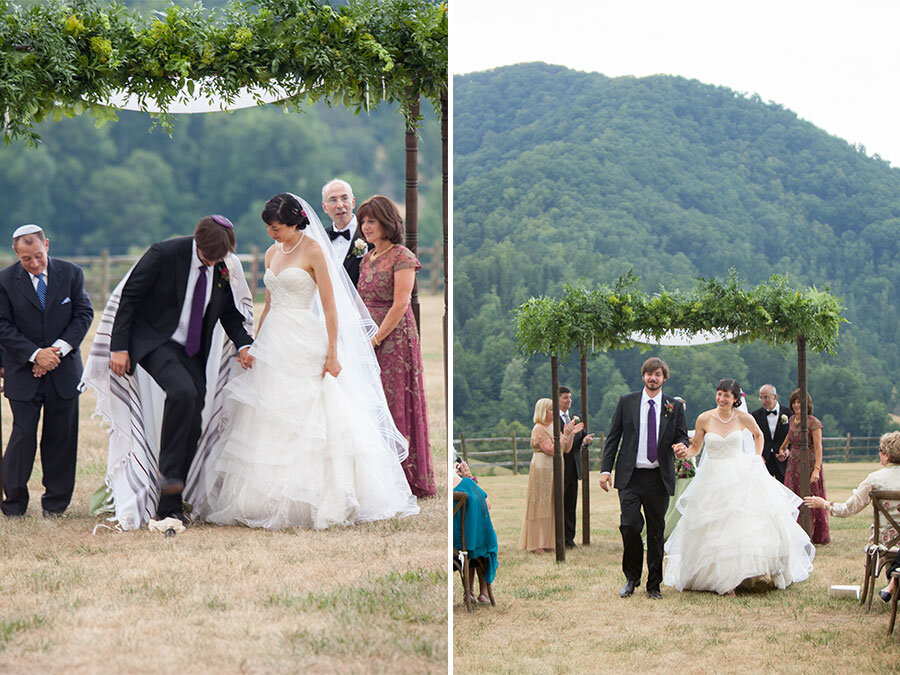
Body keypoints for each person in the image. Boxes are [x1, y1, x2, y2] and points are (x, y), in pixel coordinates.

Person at [201, 193, 418, 529]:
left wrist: (333, 351)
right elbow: (269, 303)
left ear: (293, 222)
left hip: (304, 337)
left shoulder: (315, 250)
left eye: (276, 228)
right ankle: (260, 497)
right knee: (268, 415)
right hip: (274, 338)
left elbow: (330, 307)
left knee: (313, 415)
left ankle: (318, 496)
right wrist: (256, 343)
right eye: (268, 229)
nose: (271, 234)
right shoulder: (273, 252)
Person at [107, 216, 255, 524]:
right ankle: (168, 480)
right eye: (208, 257)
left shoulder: (222, 266)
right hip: (154, 341)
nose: (213, 262)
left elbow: (228, 312)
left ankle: (172, 504)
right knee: (182, 392)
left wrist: (244, 344)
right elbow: (130, 297)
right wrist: (118, 347)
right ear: (197, 243)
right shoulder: (164, 253)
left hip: (191, 351)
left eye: (219, 258)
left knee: (194, 421)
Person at [665, 378, 815, 595]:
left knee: (741, 524)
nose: (722, 398)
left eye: (727, 395)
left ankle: (743, 573)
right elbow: (695, 448)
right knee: (713, 526)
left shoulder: (744, 418)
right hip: (712, 476)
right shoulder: (704, 418)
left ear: (735, 399)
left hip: (739, 473)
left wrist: (755, 458)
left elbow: (759, 435)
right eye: (719, 393)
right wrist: (683, 452)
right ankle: (718, 577)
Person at [0, 224, 93, 518]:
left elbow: (83, 314)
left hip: (63, 371)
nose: (34, 264)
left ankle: (56, 505)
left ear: (47, 246)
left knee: (61, 438)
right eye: (26, 259)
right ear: (16, 253)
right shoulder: (3, 281)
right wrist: (34, 355)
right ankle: (13, 505)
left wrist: (56, 352)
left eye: (38, 256)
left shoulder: (72, 273)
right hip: (21, 371)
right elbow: (3, 325)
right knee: (22, 435)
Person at [357, 195, 436, 498]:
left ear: (387, 222)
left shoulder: (401, 256)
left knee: (394, 401)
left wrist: (376, 338)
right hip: (365, 334)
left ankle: (405, 475)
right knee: (370, 400)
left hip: (393, 338)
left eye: (372, 220)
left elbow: (401, 303)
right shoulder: (367, 257)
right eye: (363, 221)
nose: (366, 226)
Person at [600, 357, 689, 599]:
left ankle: (654, 585)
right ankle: (631, 577)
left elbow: (683, 437)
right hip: (630, 476)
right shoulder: (627, 402)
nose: (653, 378)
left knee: (656, 531)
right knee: (629, 525)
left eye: (658, 374)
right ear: (643, 376)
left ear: (664, 378)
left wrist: (682, 446)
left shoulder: (674, 406)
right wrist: (605, 470)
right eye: (649, 374)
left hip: (658, 477)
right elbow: (613, 437)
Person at [803, 431, 900, 600]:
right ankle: (894, 584)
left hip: (883, 541)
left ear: (886, 454)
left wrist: (824, 504)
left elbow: (848, 509)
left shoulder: (874, 479)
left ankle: (893, 584)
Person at [519, 398, 583, 552]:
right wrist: (565, 434)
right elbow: (550, 448)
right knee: (540, 503)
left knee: (553, 503)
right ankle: (536, 543)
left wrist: (571, 434)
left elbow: (565, 449)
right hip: (543, 467)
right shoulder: (539, 428)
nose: (554, 413)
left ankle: (549, 541)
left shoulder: (554, 426)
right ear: (543, 411)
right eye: (551, 410)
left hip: (556, 467)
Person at [779, 389, 830, 544]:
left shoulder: (813, 422)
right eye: (794, 402)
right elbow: (787, 440)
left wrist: (816, 469)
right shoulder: (792, 419)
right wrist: (782, 451)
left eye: (799, 402)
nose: (796, 405)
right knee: (792, 497)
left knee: (810, 498)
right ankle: (795, 532)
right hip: (793, 463)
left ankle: (813, 534)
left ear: (806, 404)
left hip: (809, 462)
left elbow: (818, 446)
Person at [454, 468, 498, 605]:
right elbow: (487, 505)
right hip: (467, 545)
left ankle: (469, 592)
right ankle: (483, 592)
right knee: (481, 541)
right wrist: (469, 478)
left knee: (471, 539)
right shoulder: (467, 484)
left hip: (453, 546)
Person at [558, 386, 594, 548]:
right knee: (560, 502)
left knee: (571, 503)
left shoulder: (574, 418)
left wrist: (585, 441)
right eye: (565, 397)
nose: (569, 400)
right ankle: (558, 536)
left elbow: (579, 441)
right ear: (557, 399)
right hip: (559, 465)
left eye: (570, 397)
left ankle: (569, 538)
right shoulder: (553, 420)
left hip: (573, 467)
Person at [321, 179, 371, 287]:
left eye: (344, 198)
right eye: (333, 200)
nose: (340, 205)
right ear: (325, 207)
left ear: (353, 202)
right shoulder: (320, 238)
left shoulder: (369, 233)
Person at [750, 384, 790, 482]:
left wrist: (787, 451)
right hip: (765, 459)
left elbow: (792, 436)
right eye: (761, 398)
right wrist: (758, 455)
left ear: (774, 397)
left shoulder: (788, 413)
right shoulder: (756, 415)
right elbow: (753, 437)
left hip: (783, 460)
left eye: (766, 398)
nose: (763, 401)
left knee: (785, 489)